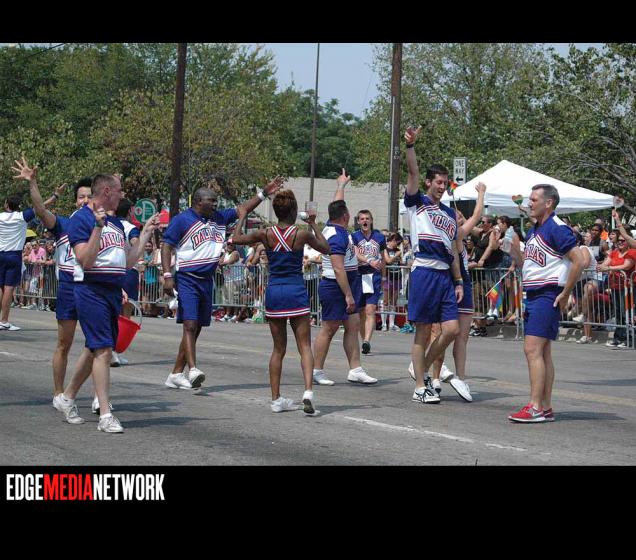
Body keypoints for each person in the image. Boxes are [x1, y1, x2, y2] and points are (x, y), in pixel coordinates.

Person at [55, 174, 158, 432]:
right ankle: (105, 414)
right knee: (103, 350)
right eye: (119, 190)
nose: (122, 195)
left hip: (111, 291)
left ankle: (67, 397)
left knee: (94, 348)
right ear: (107, 191)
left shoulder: (115, 222)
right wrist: (97, 228)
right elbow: (85, 261)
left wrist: (146, 233)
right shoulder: (81, 219)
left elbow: (127, 261)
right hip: (90, 289)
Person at [161, 177, 284, 390]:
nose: (215, 204)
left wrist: (264, 192)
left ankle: (175, 373)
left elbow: (243, 208)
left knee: (197, 327)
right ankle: (193, 369)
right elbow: (166, 246)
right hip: (188, 278)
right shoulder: (182, 220)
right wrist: (166, 275)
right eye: (211, 201)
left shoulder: (218, 218)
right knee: (190, 324)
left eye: (216, 201)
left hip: (207, 280)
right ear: (198, 202)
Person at [230, 189, 330, 414]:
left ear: (276, 211)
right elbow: (326, 248)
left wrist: (243, 214)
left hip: (275, 291)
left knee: (278, 349)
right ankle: (308, 391)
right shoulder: (301, 235)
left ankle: (276, 399)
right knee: (304, 346)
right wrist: (313, 224)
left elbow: (235, 239)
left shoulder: (265, 234)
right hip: (296, 291)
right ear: (294, 211)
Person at [11, 161, 97, 408]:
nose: (85, 201)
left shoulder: (102, 228)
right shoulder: (64, 224)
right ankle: (59, 393)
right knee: (64, 344)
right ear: (75, 201)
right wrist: (33, 183)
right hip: (69, 288)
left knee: (98, 346)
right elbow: (40, 210)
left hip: (93, 288)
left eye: (89, 197)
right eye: (81, 197)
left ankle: (98, 397)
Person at [507, 184, 585, 423]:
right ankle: (545, 406)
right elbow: (530, 265)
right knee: (542, 351)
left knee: (532, 349)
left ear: (548, 203)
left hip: (547, 294)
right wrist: (514, 251)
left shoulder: (556, 227)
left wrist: (566, 293)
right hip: (534, 293)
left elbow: (579, 260)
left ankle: (535, 407)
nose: (529, 203)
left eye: (534, 199)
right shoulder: (535, 229)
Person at [403, 126, 463, 405]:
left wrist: (458, 280)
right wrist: (410, 146)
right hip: (424, 270)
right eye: (438, 182)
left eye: (445, 183)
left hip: (445, 275)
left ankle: (421, 368)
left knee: (451, 329)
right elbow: (412, 172)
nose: (442, 186)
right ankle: (419, 387)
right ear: (429, 182)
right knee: (424, 330)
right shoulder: (417, 203)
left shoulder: (449, 213)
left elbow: (453, 250)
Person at [312, 169, 377, 386]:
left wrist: (341, 186)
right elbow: (338, 269)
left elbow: (337, 205)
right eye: (348, 213)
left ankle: (355, 369)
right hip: (336, 285)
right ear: (345, 217)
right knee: (329, 328)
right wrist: (348, 295)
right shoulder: (336, 236)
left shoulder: (333, 226)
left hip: (349, 281)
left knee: (352, 325)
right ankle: (317, 370)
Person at [427, 183, 487, 402]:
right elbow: (477, 216)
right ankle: (434, 376)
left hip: (463, 285)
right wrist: (481, 194)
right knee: (442, 333)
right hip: (451, 284)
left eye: (461, 215)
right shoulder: (453, 234)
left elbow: (477, 219)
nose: (461, 217)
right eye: (457, 215)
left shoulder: (457, 235)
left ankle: (459, 378)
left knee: (461, 336)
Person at [111, 198, 141, 367]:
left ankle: (113, 350)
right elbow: (135, 242)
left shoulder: (110, 224)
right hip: (128, 271)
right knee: (125, 313)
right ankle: (115, 350)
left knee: (113, 311)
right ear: (130, 211)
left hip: (112, 270)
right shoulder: (130, 227)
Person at [0, 187, 36, 330]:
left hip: (0, 254)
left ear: (6, 204)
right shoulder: (22, 216)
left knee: (0, 287)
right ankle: (4, 321)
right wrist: (55, 196)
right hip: (14, 255)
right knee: (9, 288)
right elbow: (41, 206)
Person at [352, 209, 386, 353]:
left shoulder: (379, 237)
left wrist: (383, 276)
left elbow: (383, 258)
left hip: (374, 275)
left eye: (367, 218)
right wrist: (369, 260)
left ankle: (367, 341)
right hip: (359, 274)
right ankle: (364, 341)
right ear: (358, 221)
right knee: (361, 311)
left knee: (370, 309)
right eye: (362, 219)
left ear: (371, 221)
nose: (365, 221)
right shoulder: (354, 236)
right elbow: (356, 253)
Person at [598, 233, 636, 349]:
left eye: (623, 240)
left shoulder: (632, 252)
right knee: (618, 313)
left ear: (628, 242)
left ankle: (628, 339)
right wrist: (603, 266)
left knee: (627, 314)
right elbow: (604, 264)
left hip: (627, 288)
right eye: (619, 240)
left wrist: (609, 268)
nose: (620, 242)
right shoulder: (614, 252)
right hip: (615, 287)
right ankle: (618, 338)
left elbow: (626, 266)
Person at [381, 232, 403, 332]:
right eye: (397, 242)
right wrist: (396, 256)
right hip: (388, 277)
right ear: (393, 240)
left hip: (397, 277)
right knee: (385, 301)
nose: (397, 244)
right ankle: (383, 324)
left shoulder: (398, 250)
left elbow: (401, 262)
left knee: (394, 301)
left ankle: (392, 324)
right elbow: (388, 261)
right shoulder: (385, 249)